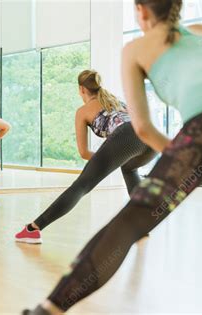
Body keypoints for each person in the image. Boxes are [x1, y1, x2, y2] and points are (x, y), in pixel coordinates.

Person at [23, 1, 202, 313]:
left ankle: (49, 307)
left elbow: (144, 128)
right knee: (130, 173)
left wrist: (181, 158)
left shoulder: (134, 50)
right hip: (150, 145)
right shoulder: (198, 31)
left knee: (128, 222)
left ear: (142, 11)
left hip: (193, 134)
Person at [15, 70, 156, 244]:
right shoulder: (117, 102)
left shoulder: (83, 111)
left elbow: (84, 152)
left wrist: (105, 161)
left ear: (81, 89)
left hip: (127, 135)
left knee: (82, 185)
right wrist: (110, 159)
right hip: (151, 136)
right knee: (129, 168)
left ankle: (33, 229)